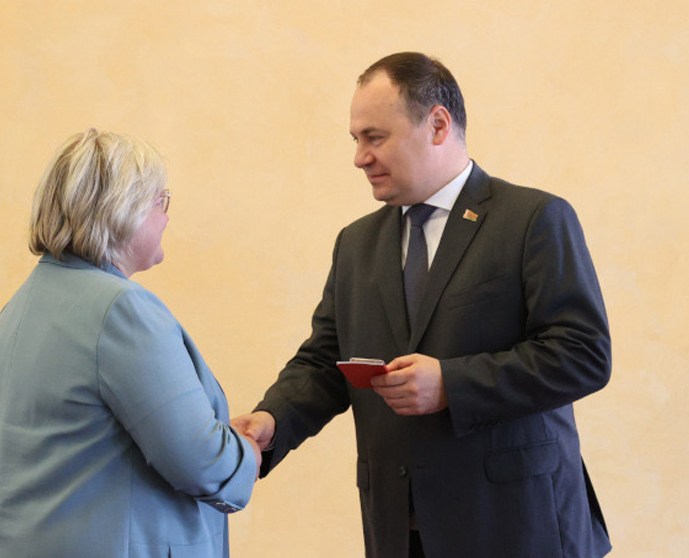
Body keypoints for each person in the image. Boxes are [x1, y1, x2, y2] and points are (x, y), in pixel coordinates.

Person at [232, 52, 612, 558]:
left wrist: (452, 384)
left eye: (375, 137)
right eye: (355, 139)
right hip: (399, 530)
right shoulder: (356, 244)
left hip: (517, 526)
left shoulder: (533, 219)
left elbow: (582, 354)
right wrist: (273, 419)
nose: (360, 157)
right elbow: (325, 361)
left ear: (437, 125)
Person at [0, 129, 260, 558]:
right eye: (160, 201)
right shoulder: (120, 311)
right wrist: (246, 454)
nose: (166, 217)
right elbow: (199, 461)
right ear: (122, 209)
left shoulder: (22, 304)